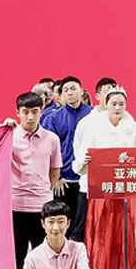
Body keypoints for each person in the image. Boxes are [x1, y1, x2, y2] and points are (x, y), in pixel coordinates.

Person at [73, 86, 136, 269]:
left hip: (123, 194)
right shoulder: (94, 126)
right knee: (101, 239)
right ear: (105, 104)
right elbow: (79, 162)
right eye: (113, 104)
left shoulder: (133, 127)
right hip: (101, 194)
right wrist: (85, 161)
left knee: (122, 240)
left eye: (121, 104)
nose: (117, 108)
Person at [6, 92, 62, 269]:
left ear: (42, 112)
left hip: (42, 208)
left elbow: (55, 171)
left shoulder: (52, 139)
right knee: (16, 257)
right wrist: (4, 128)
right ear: (17, 112)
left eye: (35, 112)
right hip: (15, 208)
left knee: (44, 257)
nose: (30, 117)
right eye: (26, 112)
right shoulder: (9, 137)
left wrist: (44, 192)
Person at [67, 77, 118, 242]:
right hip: (90, 187)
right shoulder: (86, 123)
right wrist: (84, 162)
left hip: (117, 187)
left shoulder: (126, 122)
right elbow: (78, 155)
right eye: (107, 92)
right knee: (84, 232)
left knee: (112, 234)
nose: (111, 96)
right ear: (97, 96)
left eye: (114, 92)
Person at [42, 76, 91, 241]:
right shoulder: (53, 118)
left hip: (88, 180)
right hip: (64, 181)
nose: (70, 93)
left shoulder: (93, 116)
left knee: (84, 226)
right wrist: (57, 176)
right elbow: (48, 151)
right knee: (63, 225)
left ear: (81, 91)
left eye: (73, 88)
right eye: (66, 90)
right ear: (61, 95)